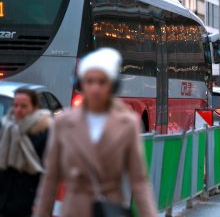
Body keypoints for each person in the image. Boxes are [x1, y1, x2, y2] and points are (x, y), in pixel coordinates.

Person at [34, 48, 157, 217]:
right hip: (74, 210)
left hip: (110, 209)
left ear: (112, 85)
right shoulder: (63, 123)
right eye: (89, 81)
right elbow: (50, 179)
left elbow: (139, 181)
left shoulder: (128, 124)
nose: (95, 88)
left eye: (101, 82)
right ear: (80, 84)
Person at [0, 88, 52, 217]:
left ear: (34, 107)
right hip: (4, 201)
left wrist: (40, 204)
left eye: (24, 106)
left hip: (28, 203)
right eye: (15, 105)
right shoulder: (6, 128)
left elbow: (48, 174)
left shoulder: (44, 132)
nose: (18, 110)